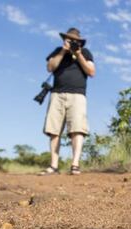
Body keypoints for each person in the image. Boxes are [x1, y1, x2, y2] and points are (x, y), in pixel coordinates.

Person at [39, 27, 95, 175]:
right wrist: (63, 51)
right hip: (57, 94)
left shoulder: (85, 52)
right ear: (65, 39)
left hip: (78, 95)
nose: (72, 42)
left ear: (79, 42)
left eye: (75, 40)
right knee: (54, 130)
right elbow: (50, 67)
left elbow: (91, 72)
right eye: (69, 40)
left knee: (77, 129)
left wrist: (78, 54)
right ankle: (53, 165)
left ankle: (75, 164)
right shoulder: (58, 51)